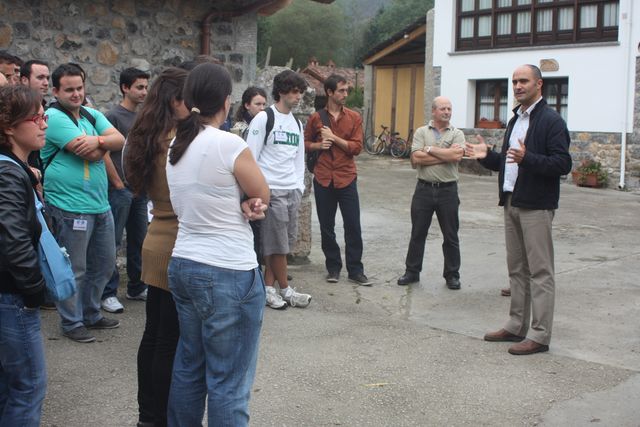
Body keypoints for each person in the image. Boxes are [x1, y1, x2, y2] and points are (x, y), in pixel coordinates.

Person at [166, 62, 269, 426]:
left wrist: (239, 199)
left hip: (184, 264)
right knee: (228, 381)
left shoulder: (175, 147)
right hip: (228, 270)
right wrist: (249, 200)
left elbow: (199, 199)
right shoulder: (229, 144)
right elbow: (261, 192)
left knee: (189, 368)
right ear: (227, 101)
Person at [465, 64, 572, 355]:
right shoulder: (515, 120)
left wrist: (529, 159)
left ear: (539, 84)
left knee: (540, 272)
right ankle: (516, 325)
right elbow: (509, 162)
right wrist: (487, 157)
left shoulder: (551, 121)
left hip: (537, 206)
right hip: (512, 200)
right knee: (516, 270)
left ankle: (540, 335)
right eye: (514, 82)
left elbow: (563, 164)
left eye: (523, 81)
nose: (517, 86)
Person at [41, 63, 124, 343]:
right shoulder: (53, 116)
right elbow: (92, 155)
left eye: (79, 88)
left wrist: (98, 140)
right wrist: (104, 143)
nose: (76, 94)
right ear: (56, 91)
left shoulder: (91, 113)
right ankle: (71, 321)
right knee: (74, 268)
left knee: (103, 263)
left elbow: (120, 140)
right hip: (68, 206)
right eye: (69, 89)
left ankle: (91, 313)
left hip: (99, 205)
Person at [123, 67, 187, 427]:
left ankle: (147, 415)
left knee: (153, 335)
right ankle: (158, 417)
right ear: (177, 100)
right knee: (168, 340)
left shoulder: (149, 133)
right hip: (176, 242)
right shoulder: (178, 141)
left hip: (155, 236)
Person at [0, 85, 48, 426]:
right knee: (28, 386)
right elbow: (13, 240)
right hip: (12, 296)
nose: (44, 124)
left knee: (9, 387)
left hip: (8, 292)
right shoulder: (7, 173)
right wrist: (34, 289)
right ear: (9, 126)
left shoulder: (14, 168)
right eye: (36, 117)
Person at [246, 69, 311, 309]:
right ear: (282, 92)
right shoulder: (264, 118)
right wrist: (259, 190)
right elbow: (250, 155)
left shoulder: (296, 123)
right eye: (295, 92)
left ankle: (269, 288)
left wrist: (298, 186)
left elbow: (298, 157)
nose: (298, 97)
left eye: (300, 92)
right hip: (270, 190)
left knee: (284, 242)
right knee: (277, 245)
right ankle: (286, 290)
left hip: (291, 189)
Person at [304, 74, 371, 286]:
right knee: (326, 226)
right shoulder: (316, 118)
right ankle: (333, 268)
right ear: (330, 92)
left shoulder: (354, 117)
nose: (345, 94)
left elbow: (356, 148)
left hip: (346, 177)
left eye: (347, 91)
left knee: (353, 225)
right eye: (341, 91)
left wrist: (333, 138)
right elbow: (304, 143)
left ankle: (356, 270)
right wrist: (316, 146)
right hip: (323, 177)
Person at [397, 96, 464, 289]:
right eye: (443, 109)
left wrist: (430, 150)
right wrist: (445, 156)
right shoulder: (421, 131)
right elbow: (416, 158)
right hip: (424, 189)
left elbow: (457, 156)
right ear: (433, 111)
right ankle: (412, 272)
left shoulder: (457, 133)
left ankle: (452, 275)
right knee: (418, 232)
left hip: (448, 190)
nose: (447, 112)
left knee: (451, 235)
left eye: (449, 109)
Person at [100, 67, 150, 314]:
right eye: (139, 87)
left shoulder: (142, 118)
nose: (144, 92)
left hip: (140, 191)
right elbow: (104, 153)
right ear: (125, 88)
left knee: (139, 240)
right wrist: (118, 184)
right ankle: (108, 292)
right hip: (119, 190)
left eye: (145, 87)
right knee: (112, 242)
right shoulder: (113, 117)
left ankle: (137, 286)